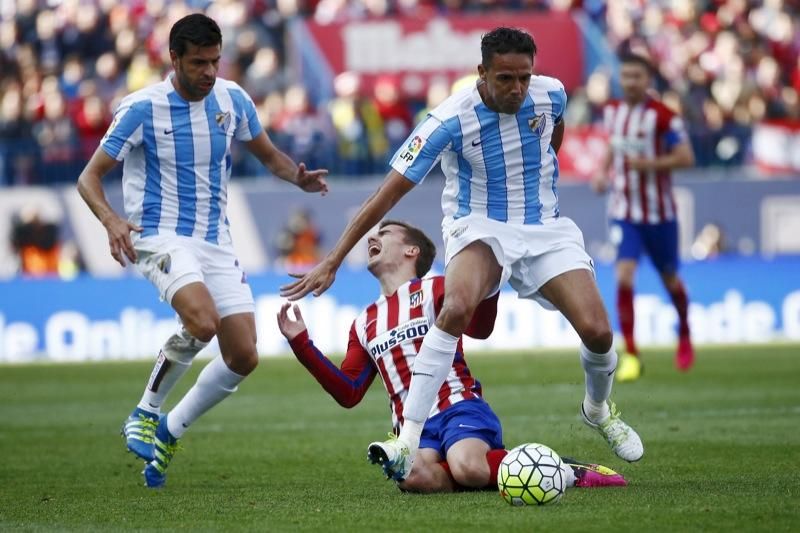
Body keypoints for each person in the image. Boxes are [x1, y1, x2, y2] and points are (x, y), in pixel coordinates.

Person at [280, 27, 643, 483]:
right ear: (482, 73)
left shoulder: (552, 95)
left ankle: (597, 409)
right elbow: (384, 196)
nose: (516, 88)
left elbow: (554, 131)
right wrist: (332, 260)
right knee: (453, 308)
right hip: (479, 226)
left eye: (523, 78)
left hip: (544, 227)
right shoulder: (447, 120)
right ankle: (407, 439)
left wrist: (539, 175)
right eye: (505, 78)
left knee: (597, 330)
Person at [75, 13, 328, 488]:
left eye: (214, 60)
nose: (209, 71)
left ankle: (171, 428)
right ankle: (146, 411)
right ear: (174, 59)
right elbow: (89, 176)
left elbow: (268, 154)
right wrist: (111, 220)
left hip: (215, 238)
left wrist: (299, 177)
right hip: (159, 233)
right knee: (202, 322)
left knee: (244, 355)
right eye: (198, 63)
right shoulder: (141, 108)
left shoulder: (233, 99)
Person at [277, 220, 627, 492]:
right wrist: (301, 344)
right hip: (413, 431)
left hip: (458, 405)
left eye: (385, 233)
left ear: (412, 250)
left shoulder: (439, 287)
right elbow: (349, 391)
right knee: (412, 478)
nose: (373, 237)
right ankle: (510, 469)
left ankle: (561, 470)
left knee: (468, 467)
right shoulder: (363, 322)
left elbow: (480, 328)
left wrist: (490, 280)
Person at [591, 52, 696, 382]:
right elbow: (613, 145)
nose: (631, 82)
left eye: (637, 76)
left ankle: (684, 332)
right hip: (625, 213)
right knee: (623, 275)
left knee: (670, 280)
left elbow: (686, 157)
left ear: (648, 79)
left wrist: (650, 165)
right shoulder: (613, 111)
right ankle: (632, 354)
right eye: (626, 76)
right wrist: (602, 170)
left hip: (660, 215)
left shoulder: (663, 117)